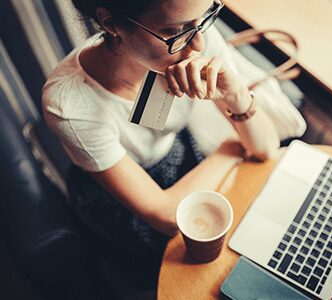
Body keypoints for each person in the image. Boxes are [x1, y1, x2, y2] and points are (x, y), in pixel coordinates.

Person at [42, 0, 306, 296]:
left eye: (204, 18)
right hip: (119, 199)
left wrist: (235, 94)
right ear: (111, 23)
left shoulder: (195, 39)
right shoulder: (68, 105)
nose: (199, 44)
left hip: (178, 154)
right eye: (175, 30)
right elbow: (168, 217)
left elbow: (266, 148)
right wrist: (229, 149)